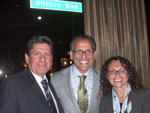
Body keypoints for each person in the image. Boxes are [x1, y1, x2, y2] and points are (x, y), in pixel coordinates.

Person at [0, 36, 64, 113]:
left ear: (51, 60)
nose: (42, 59)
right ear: (27, 58)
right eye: (37, 54)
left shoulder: (51, 85)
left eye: (47, 54)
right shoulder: (12, 84)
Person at [51, 35, 101, 113]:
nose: (84, 56)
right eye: (79, 51)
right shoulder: (56, 79)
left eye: (88, 51)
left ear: (94, 54)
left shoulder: (103, 78)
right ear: (71, 54)